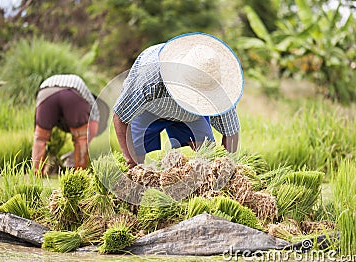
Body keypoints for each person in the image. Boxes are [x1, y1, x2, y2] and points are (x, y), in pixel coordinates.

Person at [113, 32, 244, 168]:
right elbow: (120, 116)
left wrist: (227, 166)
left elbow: (231, 132)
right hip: (148, 110)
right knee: (134, 162)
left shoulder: (220, 90)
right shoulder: (150, 79)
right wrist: (129, 158)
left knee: (208, 159)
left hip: (191, 116)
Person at [32, 74, 100, 174]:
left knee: (40, 138)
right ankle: (79, 175)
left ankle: (36, 173)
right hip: (73, 93)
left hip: (45, 93)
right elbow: (93, 128)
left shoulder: (53, 81)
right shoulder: (91, 101)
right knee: (81, 138)